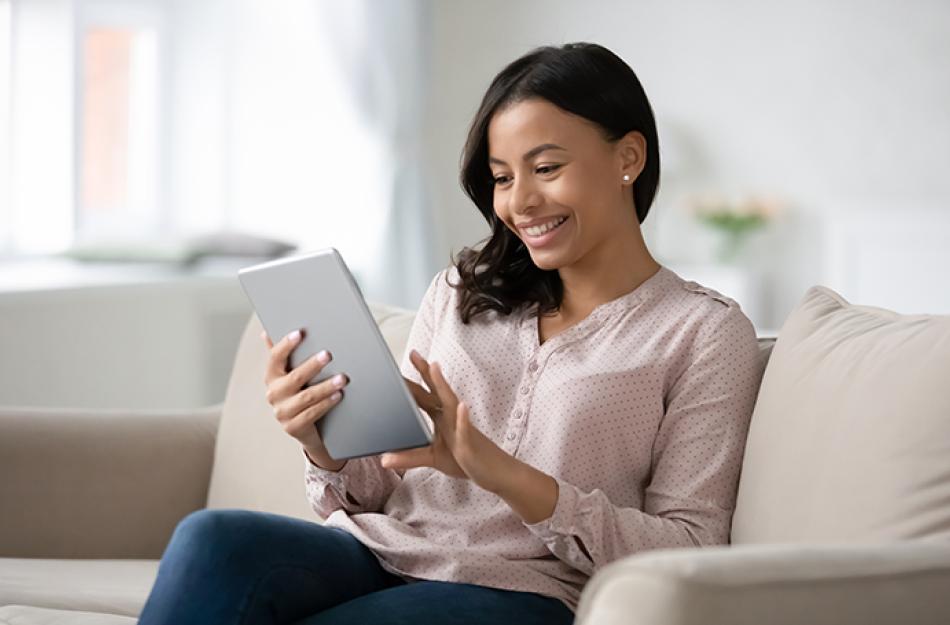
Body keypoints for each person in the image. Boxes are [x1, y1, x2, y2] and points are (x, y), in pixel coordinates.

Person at [138, 42, 763, 625]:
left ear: (628, 157)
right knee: (211, 538)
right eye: (501, 177)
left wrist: (508, 477)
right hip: (380, 554)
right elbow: (378, 486)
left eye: (545, 167)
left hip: (522, 592)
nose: (520, 203)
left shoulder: (702, 332)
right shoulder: (464, 292)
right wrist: (322, 443)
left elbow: (690, 548)